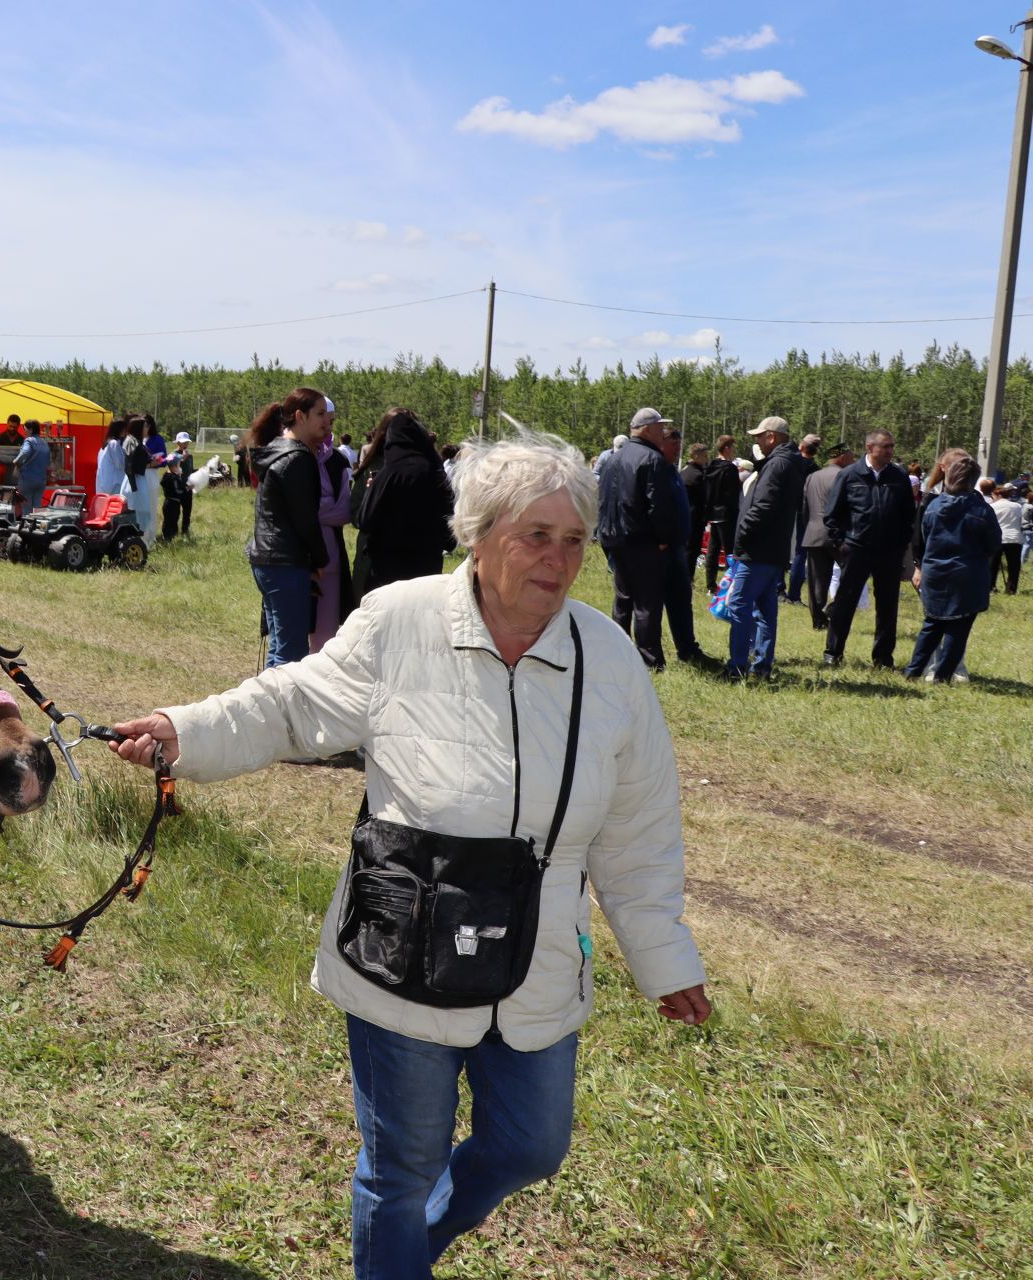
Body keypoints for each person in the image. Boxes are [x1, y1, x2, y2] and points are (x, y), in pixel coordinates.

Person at [108, 430, 708, 1280]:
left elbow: (639, 827)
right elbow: (291, 705)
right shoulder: (401, 620)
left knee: (530, 1147)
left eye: (574, 540)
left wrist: (666, 957)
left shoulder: (605, 657)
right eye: (536, 536)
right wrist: (185, 730)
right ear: (480, 532)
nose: (559, 560)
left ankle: (400, 1254)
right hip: (404, 952)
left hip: (537, 958)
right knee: (400, 1172)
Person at [245, 389, 331, 668]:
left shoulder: (281, 451)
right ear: (299, 417)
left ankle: (271, 708)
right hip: (283, 561)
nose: (326, 422)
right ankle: (278, 711)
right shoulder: (296, 458)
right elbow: (305, 519)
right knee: (290, 654)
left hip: (270, 559)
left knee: (281, 647)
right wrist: (320, 560)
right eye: (319, 414)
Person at [595, 407, 684, 670]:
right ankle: (649, 660)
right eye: (659, 428)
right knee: (647, 602)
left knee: (623, 599)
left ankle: (616, 652)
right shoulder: (652, 459)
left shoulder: (613, 458)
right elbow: (658, 505)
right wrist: (664, 538)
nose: (662, 433)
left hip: (616, 540)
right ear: (647, 430)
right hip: (643, 541)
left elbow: (604, 500)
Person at [905, 450, 1000, 683]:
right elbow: (993, 544)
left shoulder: (933, 506)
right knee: (958, 628)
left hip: (935, 572)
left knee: (931, 625)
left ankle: (913, 671)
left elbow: (924, 539)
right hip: (968, 573)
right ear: (972, 479)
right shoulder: (981, 510)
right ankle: (943, 675)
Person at [822, 428, 913, 669]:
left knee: (887, 607)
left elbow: (908, 517)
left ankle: (883, 658)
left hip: (889, 553)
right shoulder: (850, 475)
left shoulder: (899, 477)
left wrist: (901, 546)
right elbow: (832, 515)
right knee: (845, 603)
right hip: (856, 550)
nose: (890, 451)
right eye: (885, 446)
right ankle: (833, 652)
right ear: (869, 448)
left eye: (892, 446)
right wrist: (842, 544)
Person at [722, 417, 802, 680]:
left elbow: (763, 506)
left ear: (772, 436)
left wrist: (743, 535)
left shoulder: (778, 464)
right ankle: (762, 665)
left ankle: (737, 666)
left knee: (739, 604)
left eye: (759, 436)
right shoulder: (789, 461)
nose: (756, 440)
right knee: (765, 610)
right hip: (774, 550)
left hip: (758, 549)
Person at [351, 408, 454, 595]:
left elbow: (364, 520)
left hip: (387, 574)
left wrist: (371, 492)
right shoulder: (436, 474)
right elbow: (451, 536)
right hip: (425, 575)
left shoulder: (388, 475)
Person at [653, 422, 707, 666]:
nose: (676, 448)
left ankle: (687, 648)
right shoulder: (656, 468)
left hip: (677, 547)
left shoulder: (672, 470)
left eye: (679, 444)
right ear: (659, 443)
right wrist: (662, 539)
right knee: (652, 604)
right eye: (672, 443)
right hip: (661, 548)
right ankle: (651, 655)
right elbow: (654, 507)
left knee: (681, 600)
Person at [312, 412, 356, 652]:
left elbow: (344, 511)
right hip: (297, 559)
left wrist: (312, 511)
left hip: (330, 557)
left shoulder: (337, 461)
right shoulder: (295, 459)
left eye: (331, 422)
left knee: (325, 634)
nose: (327, 427)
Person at [799, 441, 853, 629]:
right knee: (853, 574)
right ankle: (833, 609)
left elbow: (805, 507)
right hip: (838, 535)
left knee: (816, 582)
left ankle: (817, 619)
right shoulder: (845, 476)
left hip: (813, 533)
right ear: (842, 457)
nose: (853, 460)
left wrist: (809, 528)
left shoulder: (812, 476)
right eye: (851, 456)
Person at [785, 435, 822, 603]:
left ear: (801, 446)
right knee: (800, 552)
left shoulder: (790, 462)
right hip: (803, 511)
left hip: (787, 507)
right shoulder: (815, 468)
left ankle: (778, 589)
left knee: (782, 547)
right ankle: (794, 594)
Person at [702, 435, 741, 591]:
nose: (734, 450)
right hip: (727, 513)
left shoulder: (710, 466)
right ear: (726, 448)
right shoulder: (729, 468)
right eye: (732, 447)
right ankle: (730, 584)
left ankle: (711, 585)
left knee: (713, 549)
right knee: (730, 551)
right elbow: (733, 494)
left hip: (713, 513)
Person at [983, 477, 1023, 595]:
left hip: (998, 537)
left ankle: (991, 587)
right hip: (1014, 537)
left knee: (993, 565)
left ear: (997, 495)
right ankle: (1011, 589)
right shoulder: (1017, 506)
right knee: (1014, 566)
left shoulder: (993, 507)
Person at [122, 416, 154, 533]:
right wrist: (151, 463)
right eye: (145, 426)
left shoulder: (130, 440)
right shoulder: (136, 445)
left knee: (132, 511)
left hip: (128, 482)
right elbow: (134, 466)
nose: (147, 429)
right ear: (139, 428)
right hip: (136, 483)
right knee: (139, 513)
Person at [13, 417, 50, 516]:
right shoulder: (44, 443)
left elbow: (25, 452)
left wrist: (16, 461)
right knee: (37, 507)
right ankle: (37, 527)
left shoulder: (29, 441)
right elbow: (48, 463)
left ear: (31, 429)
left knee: (26, 507)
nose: (24, 432)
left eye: (25, 429)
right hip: (41, 480)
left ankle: (27, 528)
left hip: (27, 479)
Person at [0, 414, 25, 488]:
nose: (12, 429)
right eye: (10, 426)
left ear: (18, 426)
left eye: (14, 427)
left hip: (15, 473)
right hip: (0, 472)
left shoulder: (22, 440)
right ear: (7, 424)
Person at [95, 419, 128, 499]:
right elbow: (120, 464)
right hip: (113, 484)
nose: (126, 431)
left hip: (103, 483)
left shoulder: (105, 444)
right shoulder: (114, 443)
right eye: (124, 428)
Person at [171, 431, 197, 533]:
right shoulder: (173, 454)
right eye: (183, 442)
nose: (185, 444)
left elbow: (190, 470)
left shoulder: (190, 456)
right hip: (177, 487)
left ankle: (185, 530)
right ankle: (173, 531)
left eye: (187, 442)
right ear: (178, 442)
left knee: (187, 511)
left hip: (188, 486)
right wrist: (182, 458)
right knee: (175, 511)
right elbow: (172, 467)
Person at [158, 457, 187, 541]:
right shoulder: (174, 478)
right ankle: (169, 537)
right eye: (178, 465)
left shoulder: (166, 475)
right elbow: (178, 491)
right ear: (174, 467)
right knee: (173, 520)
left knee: (167, 520)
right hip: (173, 503)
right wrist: (186, 489)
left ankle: (167, 536)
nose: (179, 467)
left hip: (167, 502)